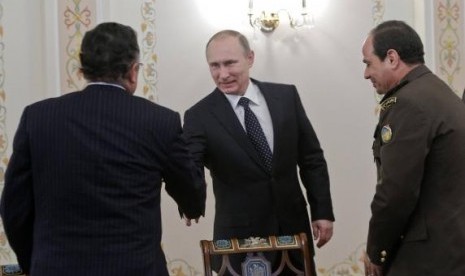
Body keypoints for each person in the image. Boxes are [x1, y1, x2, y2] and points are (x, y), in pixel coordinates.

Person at [0, 22, 206, 276]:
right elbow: (192, 194)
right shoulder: (159, 121)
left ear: (83, 69)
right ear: (132, 71)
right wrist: (193, 202)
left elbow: (14, 208)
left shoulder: (38, 117)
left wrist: (37, 261)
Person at [183, 29, 334, 275]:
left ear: (250, 58)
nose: (223, 74)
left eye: (230, 63)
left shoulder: (286, 96)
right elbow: (190, 165)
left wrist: (322, 211)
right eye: (215, 66)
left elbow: (311, 159)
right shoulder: (199, 116)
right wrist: (188, 198)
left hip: (292, 234)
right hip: (238, 241)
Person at [362, 20, 465, 276]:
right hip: (450, 249)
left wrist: (376, 251)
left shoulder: (408, 103)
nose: (366, 74)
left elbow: (396, 191)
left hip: (425, 259)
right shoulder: (437, 91)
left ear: (392, 58)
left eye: (368, 63)